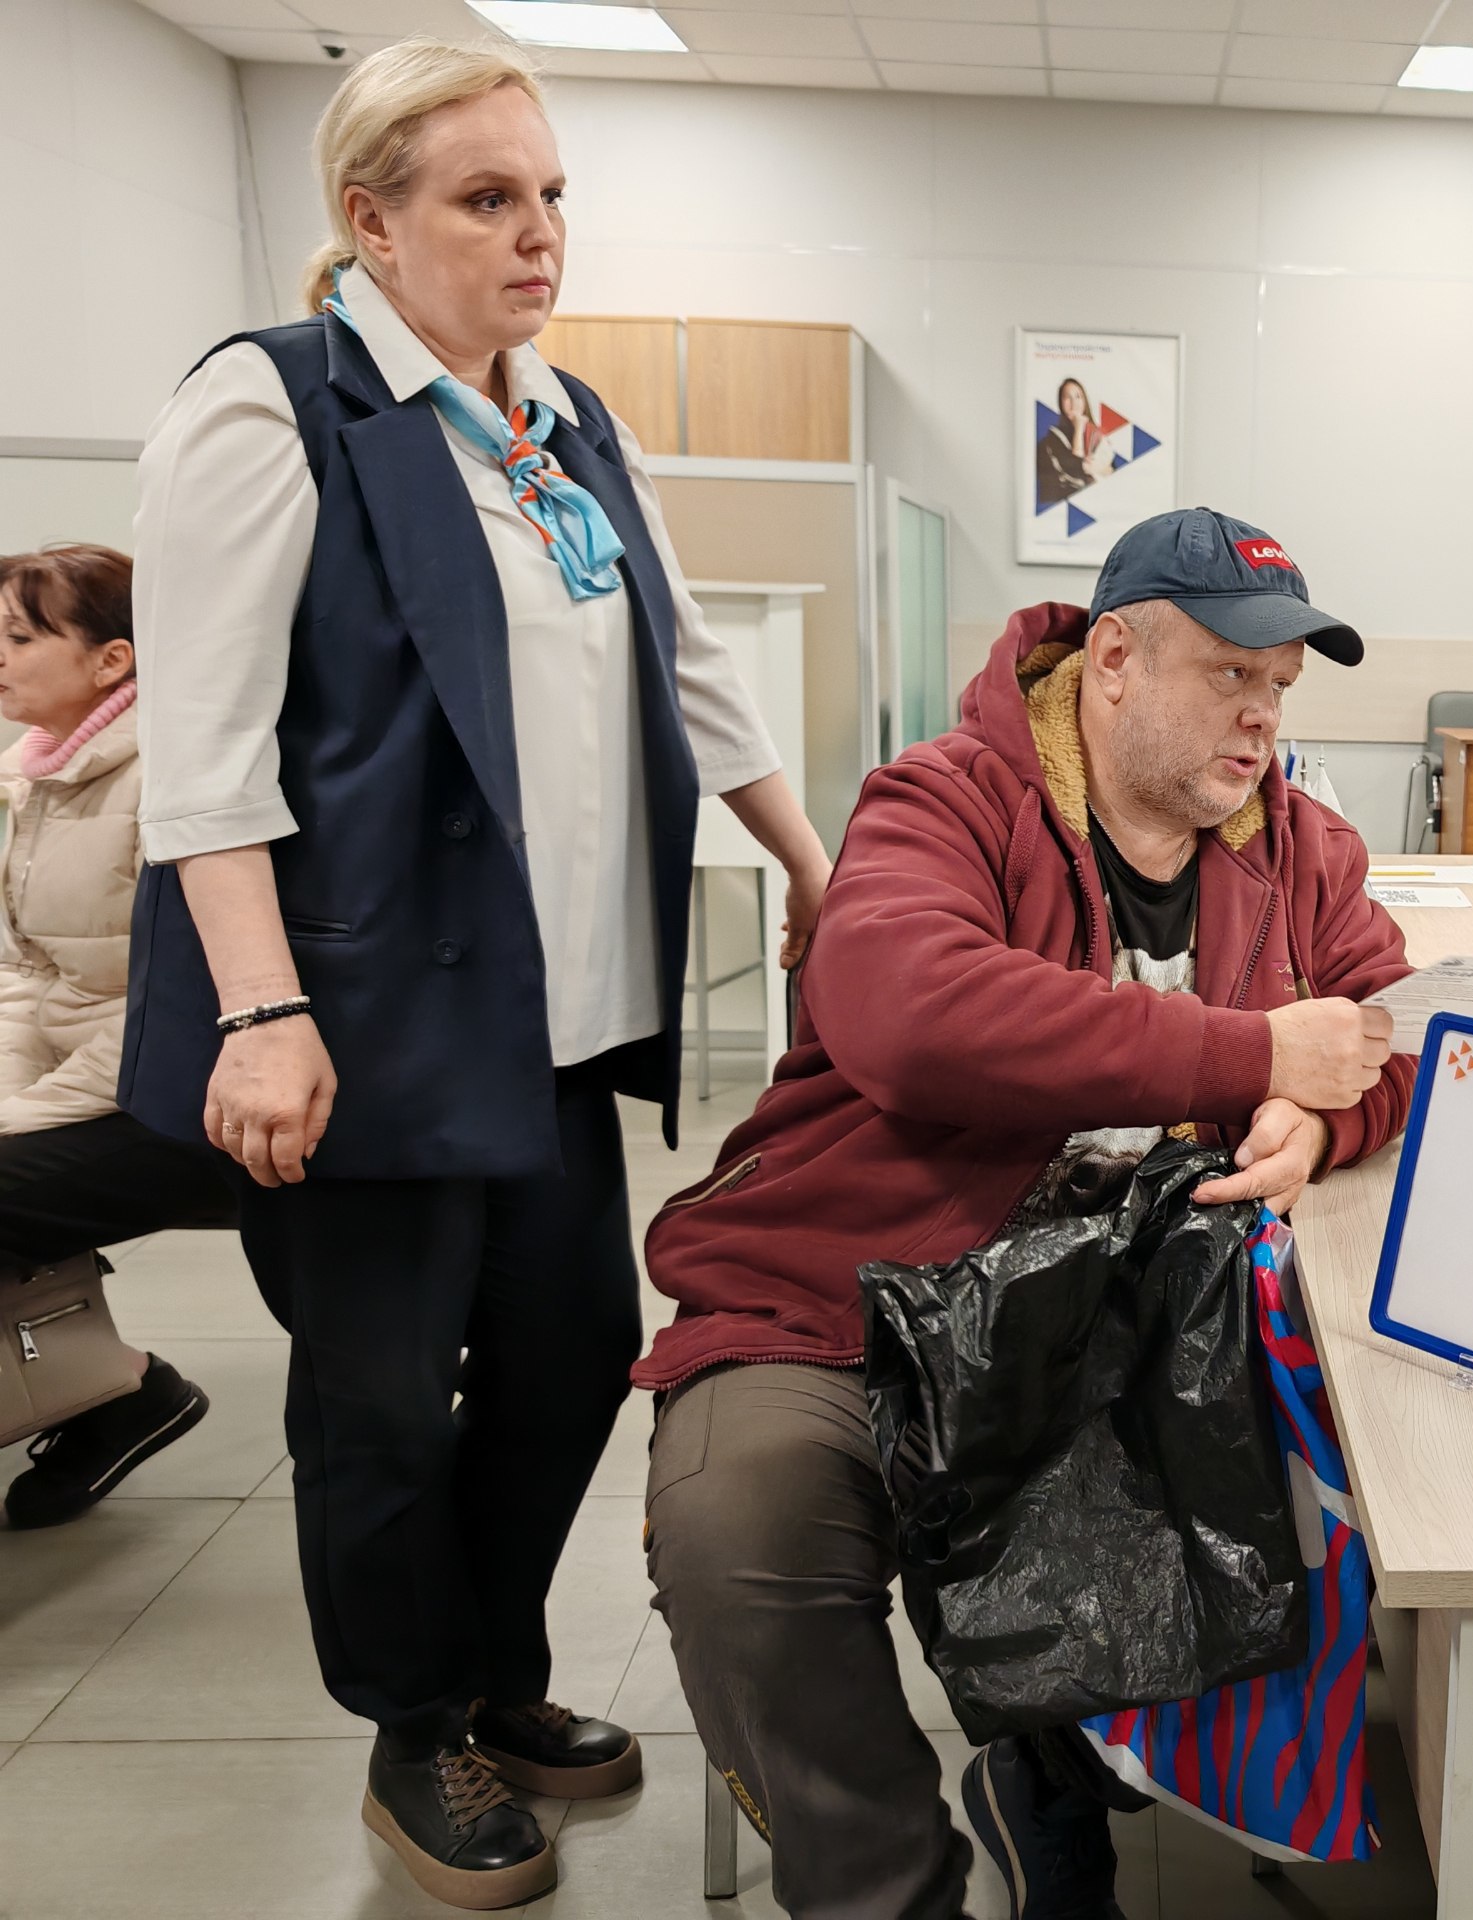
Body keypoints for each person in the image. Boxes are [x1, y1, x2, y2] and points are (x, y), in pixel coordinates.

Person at [123, 41, 833, 1910]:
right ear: (372, 220)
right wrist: (263, 1013)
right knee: (373, 1397)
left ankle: (495, 1677)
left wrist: (816, 868)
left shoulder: (565, 415)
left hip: (547, 1022)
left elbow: (685, 660)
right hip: (353, 1022)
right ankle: (411, 1718)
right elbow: (204, 757)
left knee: (568, 1354)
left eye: (552, 196)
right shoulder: (273, 411)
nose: (540, 236)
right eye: (487, 200)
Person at [637, 506, 1416, 1920]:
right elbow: (905, 1013)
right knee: (735, 1525)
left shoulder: (1297, 845)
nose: (1263, 718)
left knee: (1267, 1490)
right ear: (1113, 658)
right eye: (1231, 675)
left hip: (1116, 1312)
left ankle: (1055, 1769)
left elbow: (1391, 1033)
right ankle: (891, 1883)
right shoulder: (947, 798)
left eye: (1282, 688)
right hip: (851, 1287)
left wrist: (1324, 1110)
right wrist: (1252, 1058)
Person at [0, 546, 236, 1529]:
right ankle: (117, 1389)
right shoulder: (34, 777)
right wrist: (11, 1097)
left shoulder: (174, 779)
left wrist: (24, 1118)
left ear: (113, 662)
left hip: (180, 1090)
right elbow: (29, 974)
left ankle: (122, 1390)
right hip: (80, 1083)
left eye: (19, 636)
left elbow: (168, 1008)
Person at [1034, 376, 1108, 507]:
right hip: (1063, 507)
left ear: (1085, 401)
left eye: (1078, 396)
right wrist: (1079, 427)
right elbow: (1076, 468)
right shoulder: (1052, 439)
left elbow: (1109, 469)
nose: (1073, 403)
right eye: (1067, 397)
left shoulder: (1097, 436)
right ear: (1061, 403)